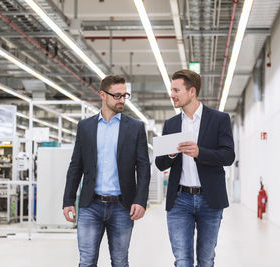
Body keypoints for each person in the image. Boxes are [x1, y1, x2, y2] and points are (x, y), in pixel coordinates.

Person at [62, 75, 150, 267]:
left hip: (122, 206)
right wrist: (68, 200)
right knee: (86, 261)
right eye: (117, 95)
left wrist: (140, 200)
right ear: (102, 95)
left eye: (125, 95)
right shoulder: (85, 127)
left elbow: (143, 167)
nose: (122, 100)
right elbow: (76, 165)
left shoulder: (135, 128)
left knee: (120, 261)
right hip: (90, 205)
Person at [155, 69, 235, 267]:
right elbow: (160, 163)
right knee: (182, 260)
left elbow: (228, 156)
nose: (171, 94)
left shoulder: (219, 119)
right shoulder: (171, 124)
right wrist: (172, 154)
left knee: (206, 260)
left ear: (192, 92)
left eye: (176, 90)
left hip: (210, 200)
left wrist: (201, 153)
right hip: (179, 200)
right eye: (171, 90)